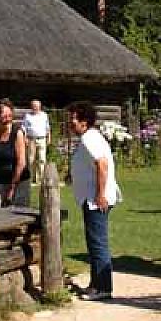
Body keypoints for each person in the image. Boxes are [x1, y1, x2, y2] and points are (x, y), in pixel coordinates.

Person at [69, 103, 118, 301]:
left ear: (84, 121)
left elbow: (102, 165)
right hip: (90, 198)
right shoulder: (88, 138)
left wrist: (100, 195)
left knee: (98, 243)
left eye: (73, 119)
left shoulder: (90, 138)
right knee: (93, 242)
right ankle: (95, 283)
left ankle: (103, 287)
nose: (70, 123)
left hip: (95, 200)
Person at [0, 100, 30, 208]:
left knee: (19, 213)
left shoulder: (17, 132)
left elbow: (21, 162)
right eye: (4, 116)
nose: (8, 119)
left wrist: (12, 187)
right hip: (0, 180)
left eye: (10, 116)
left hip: (19, 180)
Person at [22, 99, 51, 183]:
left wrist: (49, 137)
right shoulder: (27, 116)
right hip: (31, 139)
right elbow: (24, 128)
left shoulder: (44, 115)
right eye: (34, 106)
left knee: (42, 159)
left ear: (40, 106)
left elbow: (47, 127)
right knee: (31, 160)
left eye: (37, 106)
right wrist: (25, 138)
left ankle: (42, 179)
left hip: (42, 139)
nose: (35, 107)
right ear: (31, 107)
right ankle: (31, 178)